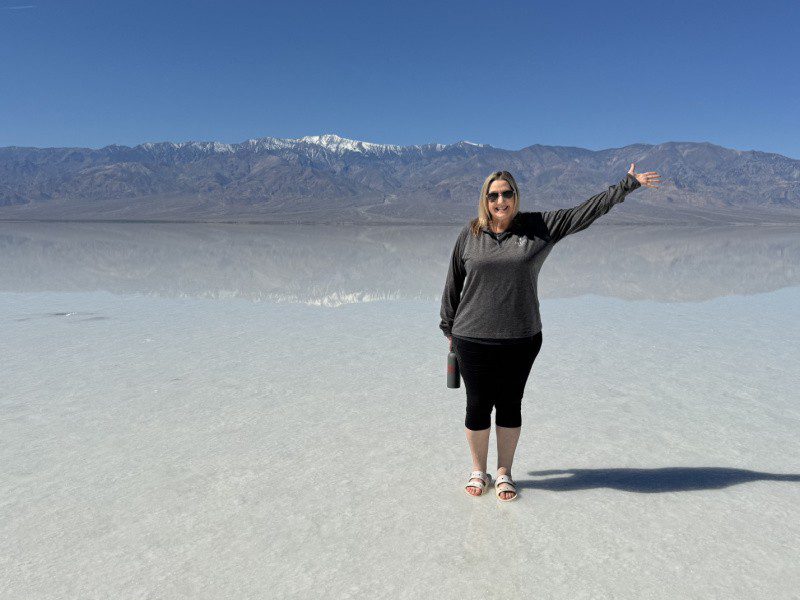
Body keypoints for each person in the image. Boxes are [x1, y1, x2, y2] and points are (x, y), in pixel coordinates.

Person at [439, 163, 661, 501]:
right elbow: (454, 281)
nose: (501, 200)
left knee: (510, 405)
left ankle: (504, 472)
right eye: (493, 194)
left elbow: (583, 213)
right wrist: (448, 326)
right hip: (472, 337)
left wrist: (626, 185)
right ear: (485, 199)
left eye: (507, 193)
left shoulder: (539, 227)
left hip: (521, 337)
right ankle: (477, 470)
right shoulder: (470, 234)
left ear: (516, 196)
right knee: (477, 406)